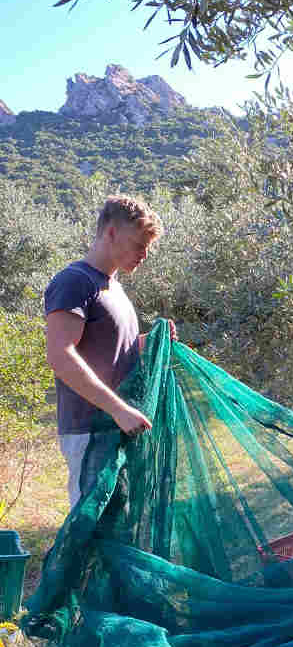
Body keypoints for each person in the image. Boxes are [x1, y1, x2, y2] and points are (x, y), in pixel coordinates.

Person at [45, 194, 176, 507]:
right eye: (139, 244)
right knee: (90, 531)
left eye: (148, 247)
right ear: (112, 233)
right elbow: (60, 356)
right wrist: (118, 409)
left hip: (117, 430)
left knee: (115, 527)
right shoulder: (75, 281)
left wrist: (150, 341)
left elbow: (114, 352)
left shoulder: (113, 288)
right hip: (91, 431)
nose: (144, 254)